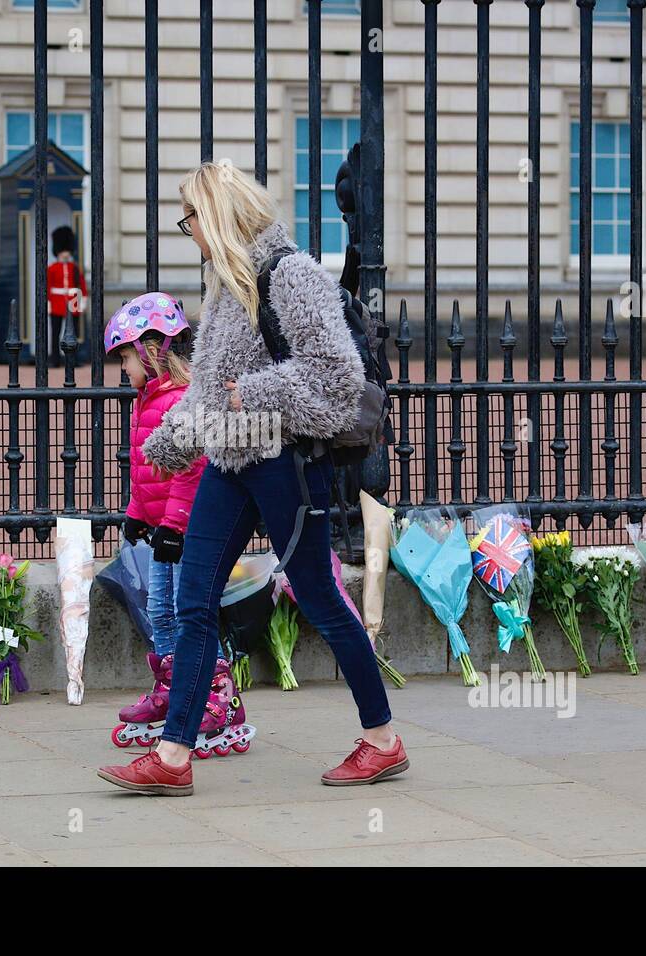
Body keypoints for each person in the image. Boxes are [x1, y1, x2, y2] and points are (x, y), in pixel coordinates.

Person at [97, 161, 407, 796]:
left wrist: (253, 393)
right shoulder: (227, 285)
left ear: (217, 215)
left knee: (319, 597)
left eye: (191, 220)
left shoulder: (291, 274)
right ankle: (174, 756)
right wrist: (171, 441)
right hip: (231, 463)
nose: (191, 234)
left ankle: (381, 738)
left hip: (285, 462)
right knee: (194, 602)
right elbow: (209, 391)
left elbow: (337, 374)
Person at [103, 294, 209, 739]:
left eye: (126, 357)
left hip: (181, 531)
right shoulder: (149, 398)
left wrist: (173, 525)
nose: (124, 369)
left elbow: (192, 468)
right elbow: (146, 468)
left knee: (189, 614)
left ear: (152, 351)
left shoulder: (181, 399)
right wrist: (136, 515)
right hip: (161, 528)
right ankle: (171, 689)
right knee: (160, 611)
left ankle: (219, 697)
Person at [46, 225, 87, 367]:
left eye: (67, 250)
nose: (65, 254)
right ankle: (54, 359)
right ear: (57, 251)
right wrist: (48, 303)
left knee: (72, 333)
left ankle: (72, 359)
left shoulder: (74, 267)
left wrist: (82, 302)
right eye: (63, 250)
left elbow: (81, 285)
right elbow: (47, 287)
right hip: (57, 302)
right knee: (55, 332)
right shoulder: (51, 268)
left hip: (72, 301)